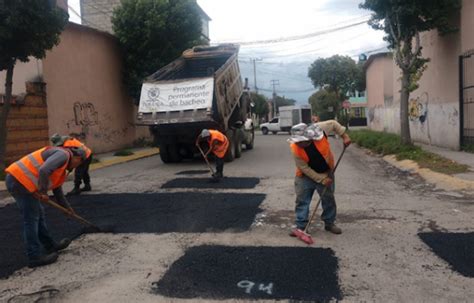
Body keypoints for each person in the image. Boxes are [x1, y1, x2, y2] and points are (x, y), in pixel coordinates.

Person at [5, 146, 87, 268]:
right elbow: (44, 170)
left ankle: (50, 246)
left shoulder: (62, 167)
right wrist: (43, 192)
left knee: (38, 214)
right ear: (78, 158)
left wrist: (67, 208)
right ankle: (34, 257)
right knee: (31, 220)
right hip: (19, 181)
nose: (75, 167)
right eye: (78, 163)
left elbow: (57, 190)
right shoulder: (63, 155)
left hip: (21, 182)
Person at [288, 120, 351, 236]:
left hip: (326, 171)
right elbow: (305, 169)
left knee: (328, 199)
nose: (297, 144)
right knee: (302, 200)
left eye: (299, 141)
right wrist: (321, 180)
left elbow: (333, 123)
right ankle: (301, 226)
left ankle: (329, 223)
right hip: (304, 176)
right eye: (295, 141)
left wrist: (345, 136)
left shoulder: (320, 131)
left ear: (307, 138)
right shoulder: (295, 148)